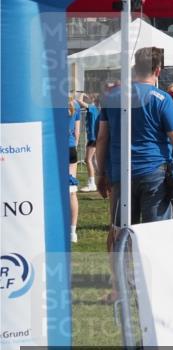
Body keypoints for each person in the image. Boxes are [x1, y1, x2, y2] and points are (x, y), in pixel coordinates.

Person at [95, 48, 173, 300]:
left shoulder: (112, 96)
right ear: (158, 71)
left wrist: (99, 173)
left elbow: (102, 137)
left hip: (120, 174)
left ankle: (120, 288)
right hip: (154, 173)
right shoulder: (162, 99)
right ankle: (155, 289)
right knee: (156, 233)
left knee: (119, 231)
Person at [68, 95, 81, 243]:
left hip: (56, 149)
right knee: (72, 192)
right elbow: (77, 132)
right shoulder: (76, 104)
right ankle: (73, 231)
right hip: (71, 148)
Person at [82, 93, 100, 192]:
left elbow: (80, 103)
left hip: (93, 138)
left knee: (87, 160)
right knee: (94, 161)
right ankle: (100, 180)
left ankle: (92, 184)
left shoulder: (92, 107)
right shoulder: (93, 108)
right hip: (92, 137)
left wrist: (81, 95)